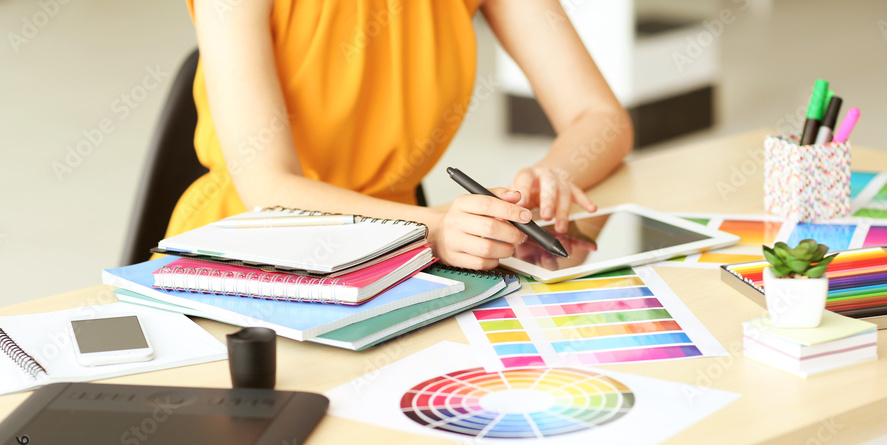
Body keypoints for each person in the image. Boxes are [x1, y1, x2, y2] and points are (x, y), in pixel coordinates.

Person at [167, 0, 633, 271]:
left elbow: (601, 117)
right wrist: (430, 230)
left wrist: (552, 173)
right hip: (251, 253)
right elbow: (267, 187)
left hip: (404, 263)